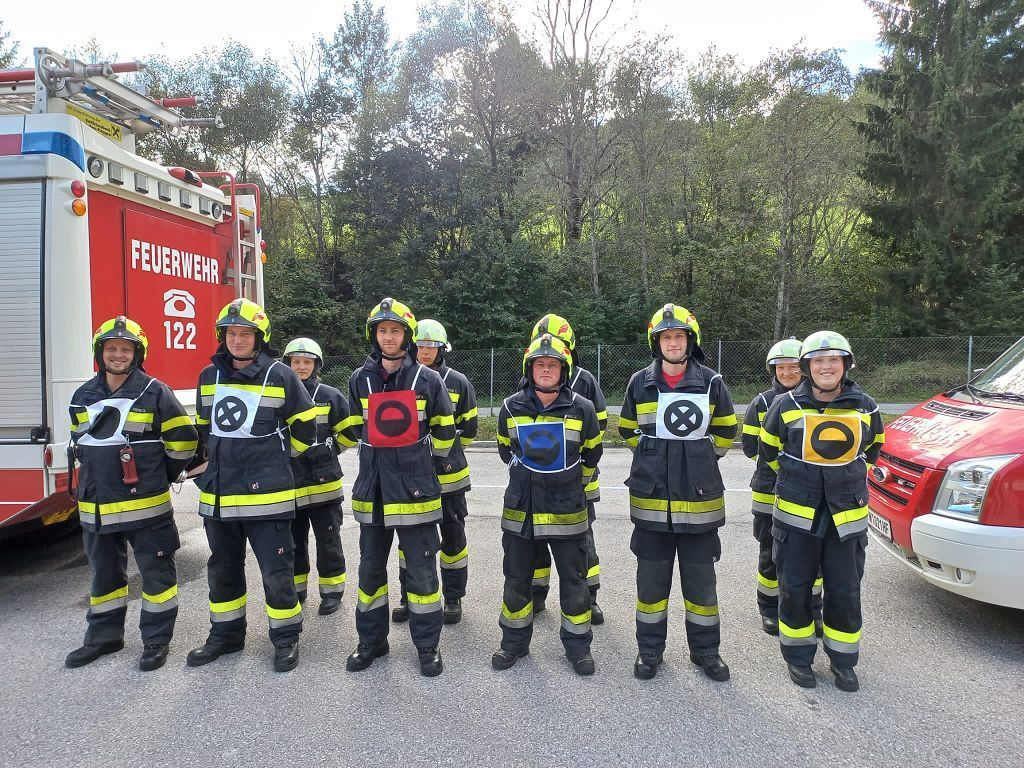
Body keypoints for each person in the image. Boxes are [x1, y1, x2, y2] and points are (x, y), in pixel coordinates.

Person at [186, 299, 318, 673]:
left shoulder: (281, 374)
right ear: (222, 337)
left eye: (245, 333)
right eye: (231, 333)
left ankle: (286, 638)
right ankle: (225, 635)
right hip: (220, 495)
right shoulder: (208, 376)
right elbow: (203, 431)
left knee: (277, 572)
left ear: (259, 338)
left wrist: (277, 460)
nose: (238, 340)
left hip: (268, 498)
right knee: (222, 570)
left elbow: (306, 427)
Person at [65, 317, 197, 671]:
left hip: (146, 508)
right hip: (97, 507)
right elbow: (81, 445)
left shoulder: (156, 392)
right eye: (111, 348)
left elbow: (185, 442)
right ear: (100, 353)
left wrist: (159, 476)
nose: (118, 355)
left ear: (138, 354)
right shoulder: (83, 395)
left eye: (126, 349)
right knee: (104, 577)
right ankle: (103, 638)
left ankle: (156, 641)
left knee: (157, 577)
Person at [759, 331, 885, 692]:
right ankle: (799, 658)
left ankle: (843, 661)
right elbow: (769, 450)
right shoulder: (785, 405)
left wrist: (841, 478)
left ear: (846, 365)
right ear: (807, 367)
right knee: (795, 588)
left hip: (846, 520)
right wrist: (800, 479)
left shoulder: (866, 407)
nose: (826, 367)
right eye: (818, 360)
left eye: (833, 360)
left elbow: (873, 448)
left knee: (845, 591)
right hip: (796, 518)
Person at [618, 304, 737, 682]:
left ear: (690, 341)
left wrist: (699, 456)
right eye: (666, 337)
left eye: (679, 336)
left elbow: (726, 431)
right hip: (651, 505)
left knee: (702, 588)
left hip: (699, 504)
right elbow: (627, 429)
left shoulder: (712, 382)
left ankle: (706, 652)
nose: (673, 343)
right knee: (650, 588)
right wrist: (653, 454)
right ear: (657, 343)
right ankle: (649, 651)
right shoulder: (639, 382)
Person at [345, 298, 456, 677]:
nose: (388, 337)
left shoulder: (428, 380)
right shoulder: (359, 380)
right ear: (374, 336)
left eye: (395, 331)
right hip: (373, 492)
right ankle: (371, 642)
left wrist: (416, 466)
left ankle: (427, 647)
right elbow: (356, 429)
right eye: (382, 331)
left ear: (406, 336)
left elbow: (445, 435)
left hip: (415, 495)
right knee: (370, 574)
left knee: (422, 576)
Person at [493, 334, 603, 675]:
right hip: (521, 511)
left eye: (552, 365)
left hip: (567, 511)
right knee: (516, 579)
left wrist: (569, 486)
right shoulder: (510, 407)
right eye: (539, 364)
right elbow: (505, 450)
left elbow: (591, 455)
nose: (545, 370)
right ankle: (513, 644)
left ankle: (578, 649)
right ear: (529, 369)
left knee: (574, 581)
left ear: (563, 371)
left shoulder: (583, 408)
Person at [392, 319, 478, 625]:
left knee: (453, 538)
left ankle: (453, 597)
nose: (425, 351)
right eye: (421, 345)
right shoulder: (402, 380)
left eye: (432, 346)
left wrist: (444, 454)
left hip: (449, 478)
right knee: (410, 541)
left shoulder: (458, 382)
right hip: (411, 478)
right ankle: (408, 595)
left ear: (442, 349)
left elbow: (468, 430)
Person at [527, 314, 608, 624]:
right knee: (536, 539)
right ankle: (537, 595)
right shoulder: (531, 377)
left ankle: (589, 597)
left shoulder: (584, 379)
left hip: (578, 478)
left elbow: (599, 425)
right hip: (539, 478)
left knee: (582, 540)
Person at [741, 337, 822, 635]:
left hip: (809, 493)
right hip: (769, 490)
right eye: (780, 367)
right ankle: (769, 608)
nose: (787, 373)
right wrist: (783, 464)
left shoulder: (818, 402)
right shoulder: (762, 403)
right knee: (770, 552)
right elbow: (750, 446)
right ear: (772, 370)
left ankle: (812, 609)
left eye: (793, 367)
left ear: (804, 368)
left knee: (814, 555)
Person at [282, 337, 357, 616]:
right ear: (287, 364)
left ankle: (332, 592)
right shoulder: (278, 395)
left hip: (325, 485)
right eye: (296, 362)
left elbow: (350, 433)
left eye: (307, 362)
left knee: (329, 541)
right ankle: (297, 590)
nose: (301, 367)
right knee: (293, 542)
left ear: (316, 365)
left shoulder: (330, 396)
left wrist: (330, 450)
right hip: (290, 485)